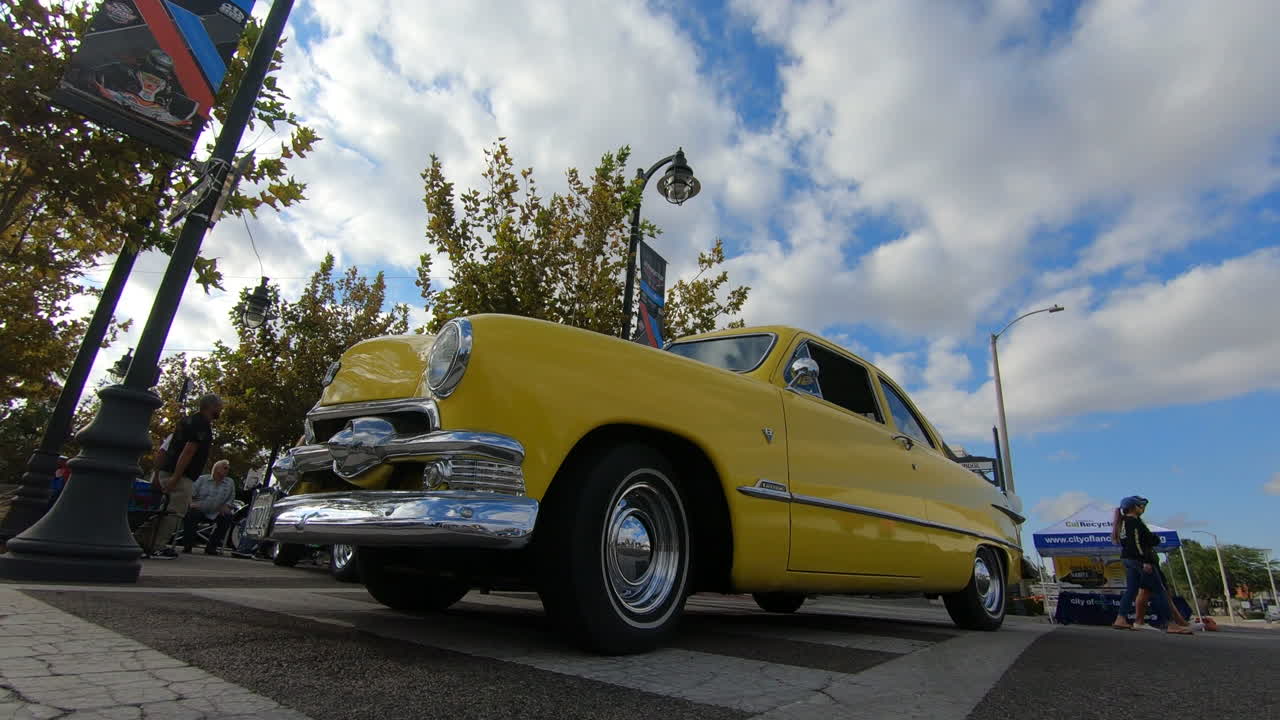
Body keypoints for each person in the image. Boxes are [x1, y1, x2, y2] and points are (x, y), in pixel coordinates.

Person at [146, 393, 223, 559]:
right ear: (211, 406)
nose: (220, 410)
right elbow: (189, 451)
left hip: (167, 470)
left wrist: (157, 473)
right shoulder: (202, 425)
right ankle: (158, 546)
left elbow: (164, 450)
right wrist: (176, 477)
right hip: (181, 475)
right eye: (219, 407)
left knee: (162, 510)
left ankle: (144, 540)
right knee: (173, 512)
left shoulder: (185, 422)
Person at [1111, 496, 1193, 634]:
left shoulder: (1124, 523)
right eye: (1141, 505)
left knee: (1131, 590)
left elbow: (1135, 541)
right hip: (1139, 560)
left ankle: (1121, 618)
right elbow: (1137, 543)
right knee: (1159, 591)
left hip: (1128, 559)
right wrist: (1146, 561)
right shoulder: (1134, 522)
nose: (1143, 508)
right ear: (1134, 507)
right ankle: (1171, 624)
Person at [183, 460, 236, 555]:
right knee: (192, 514)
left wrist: (227, 506)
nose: (227, 470)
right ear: (216, 469)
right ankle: (188, 544)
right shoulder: (202, 479)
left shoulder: (230, 482)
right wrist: (191, 503)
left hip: (217, 510)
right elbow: (189, 494)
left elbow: (231, 498)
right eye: (225, 468)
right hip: (199, 509)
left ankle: (212, 547)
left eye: (228, 468)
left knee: (228, 517)